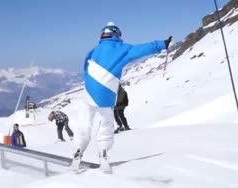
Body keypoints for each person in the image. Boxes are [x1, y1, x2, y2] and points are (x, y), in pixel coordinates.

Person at [72, 21, 172, 172]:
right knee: (105, 123)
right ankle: (103, 152)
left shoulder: (94, 50)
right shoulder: (122, 49)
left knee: (85, 121)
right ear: (117, 34)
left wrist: (91, 83)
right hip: (106, 93)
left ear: (103, 35)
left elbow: (85, 67)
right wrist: (162, 44)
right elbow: (141, 49)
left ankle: (78, 150)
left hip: (89, 91)